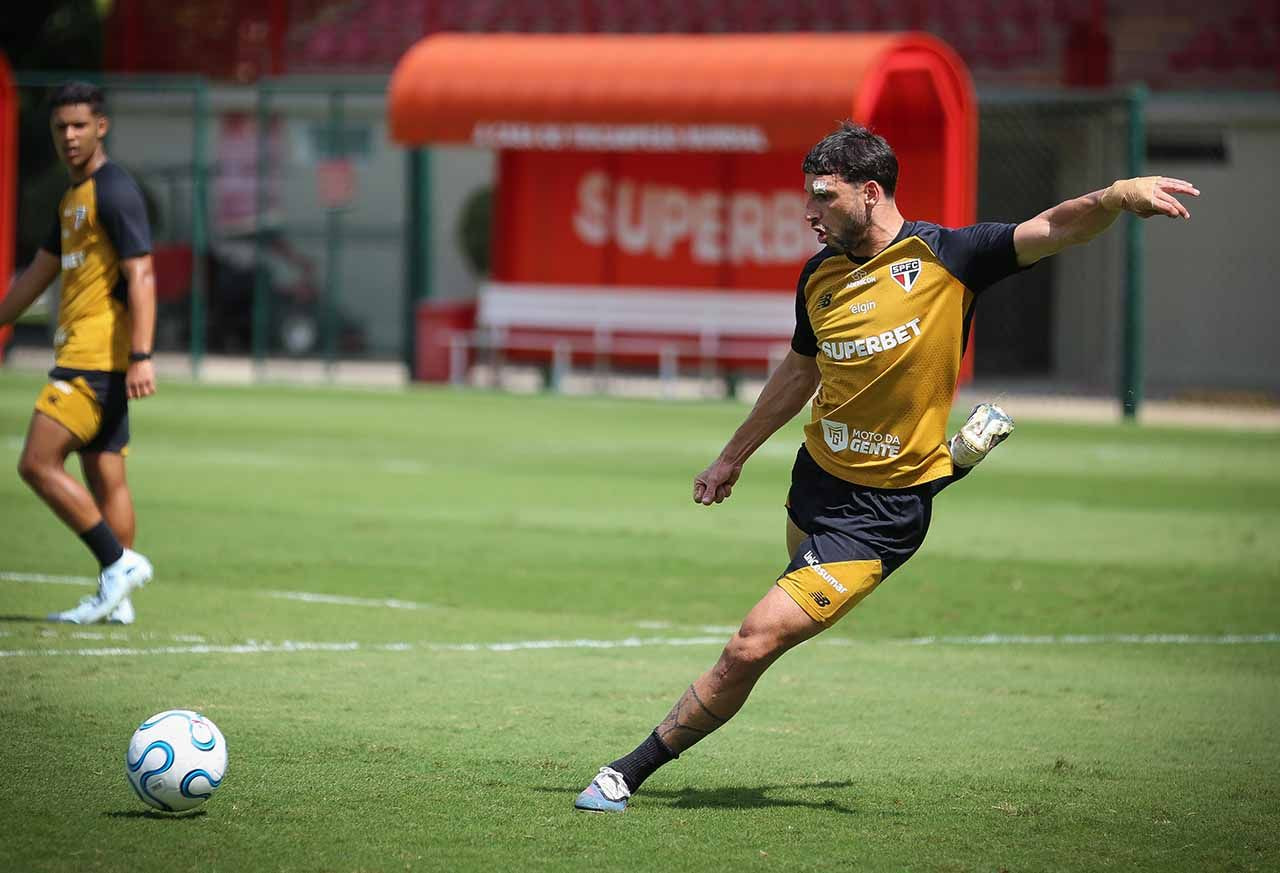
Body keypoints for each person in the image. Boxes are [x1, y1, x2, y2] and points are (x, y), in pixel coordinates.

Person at [574, 121, 1197, 812]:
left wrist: (1114, 194)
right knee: (789, 584)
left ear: (870, 193)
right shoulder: (819, 276)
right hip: (815, 479)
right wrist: (732, 455)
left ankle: (625, 772)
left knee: (752, 644)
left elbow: (1052, 227)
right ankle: (950, 458)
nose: (808, 213)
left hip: (879, 518)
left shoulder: (949, 257)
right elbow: (800, 370)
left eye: (823, 197)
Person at [0, 82, 157, 624]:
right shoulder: (72, 198)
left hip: (93, 359)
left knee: (36, 463)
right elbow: (37, 275)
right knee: (104, 474)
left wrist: (142, 354)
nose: (69, 135)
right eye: (60, 126)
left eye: (79, 125)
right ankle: (118, 601)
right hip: (94, 359)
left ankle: (118, 564)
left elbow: (142, 273)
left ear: (101, 127)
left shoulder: (114, 192)